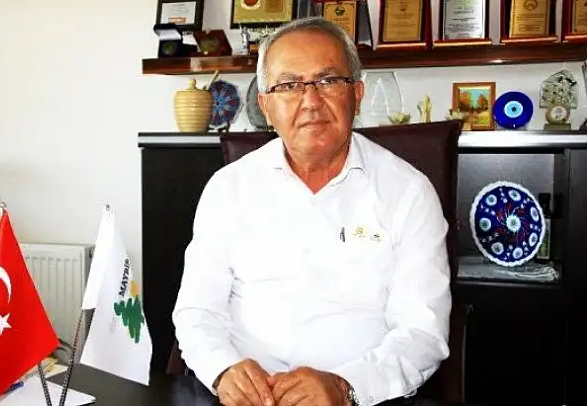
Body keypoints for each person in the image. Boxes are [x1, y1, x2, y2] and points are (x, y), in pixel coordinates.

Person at [172, 16, 451, 406]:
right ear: (266, 106)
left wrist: (345, 386)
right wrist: (223, 370)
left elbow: (422, 333)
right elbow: (197, 312)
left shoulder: (408, 192)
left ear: (357, 93)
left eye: (328, 80)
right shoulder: (228, 188)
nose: (311, 101)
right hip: (248, 399)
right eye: (288, 86)